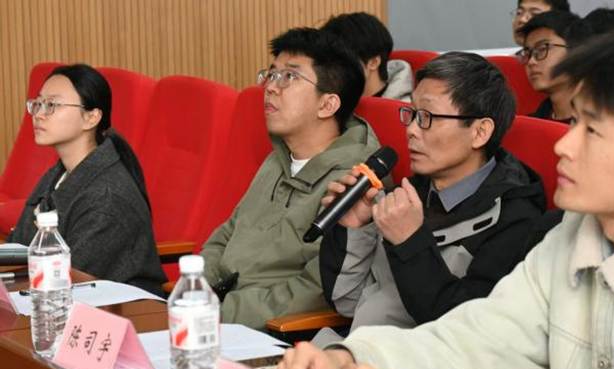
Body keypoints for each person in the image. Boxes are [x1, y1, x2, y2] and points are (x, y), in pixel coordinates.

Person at [277, 29, 614, 369]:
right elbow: (477, 338)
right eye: (573, 121)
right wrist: (350, 360)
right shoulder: (568, 235)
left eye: (591, 130)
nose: (563, 145)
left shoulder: (520, 216)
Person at [314, 52, 546, 345]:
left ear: (480, 132)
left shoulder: (515, 219)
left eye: (427, 118)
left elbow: (465, 335)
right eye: (411, 114)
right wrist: (355, 229)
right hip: (357, 349)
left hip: (415, 365)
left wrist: (410, 243)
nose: (411, 130)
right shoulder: (410, 193)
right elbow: (348, 302)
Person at [200, 28, 380, 330]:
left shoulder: (352, 184)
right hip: (217, 315)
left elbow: (314, 290)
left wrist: (219, 312)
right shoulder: (278, 159)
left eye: (289, 77)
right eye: (271, 75)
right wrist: (196, 292)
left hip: (275, 333)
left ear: (327, 105)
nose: (271, 87)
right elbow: (227, 233)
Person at [8, 64, 166, 295]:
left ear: (91, 118)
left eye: (52, 105)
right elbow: (19, 245)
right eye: (38, 103)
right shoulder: (60, 174)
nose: (39, 114)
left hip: (120, 310)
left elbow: (69, 279)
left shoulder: (107, 198)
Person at [321, 12, 413, 102]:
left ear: (373, 62)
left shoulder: (404, 110)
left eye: (341, 62)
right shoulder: (331, 103)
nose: (331, 72)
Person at [518, 11, 592, 122]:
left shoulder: (605, 124)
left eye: (542, 49)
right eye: (527, 53)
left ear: (576, 52)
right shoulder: (530, 125)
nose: (531, 61)